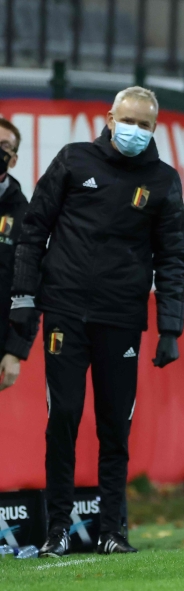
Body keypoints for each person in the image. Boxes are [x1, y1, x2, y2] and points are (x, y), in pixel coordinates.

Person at [11, 87, 184, 557]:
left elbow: (173, 258)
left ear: (155, 128)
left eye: (145, 124)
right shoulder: (73, 160)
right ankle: (57, 530)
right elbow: (33, 232)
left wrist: (171, 327)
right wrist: (25, 300)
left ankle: (113, 529)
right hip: (64, 313)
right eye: (128, 120)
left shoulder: (164, 181)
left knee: (115, 427)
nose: (135, 130)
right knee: (64, 418)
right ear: (110, 117)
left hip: (122, 319)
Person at [0, 118, 38, 391]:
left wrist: (15, 351)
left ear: (13, 160)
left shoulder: (24, 215)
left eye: (4, 146)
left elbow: (29, 288)